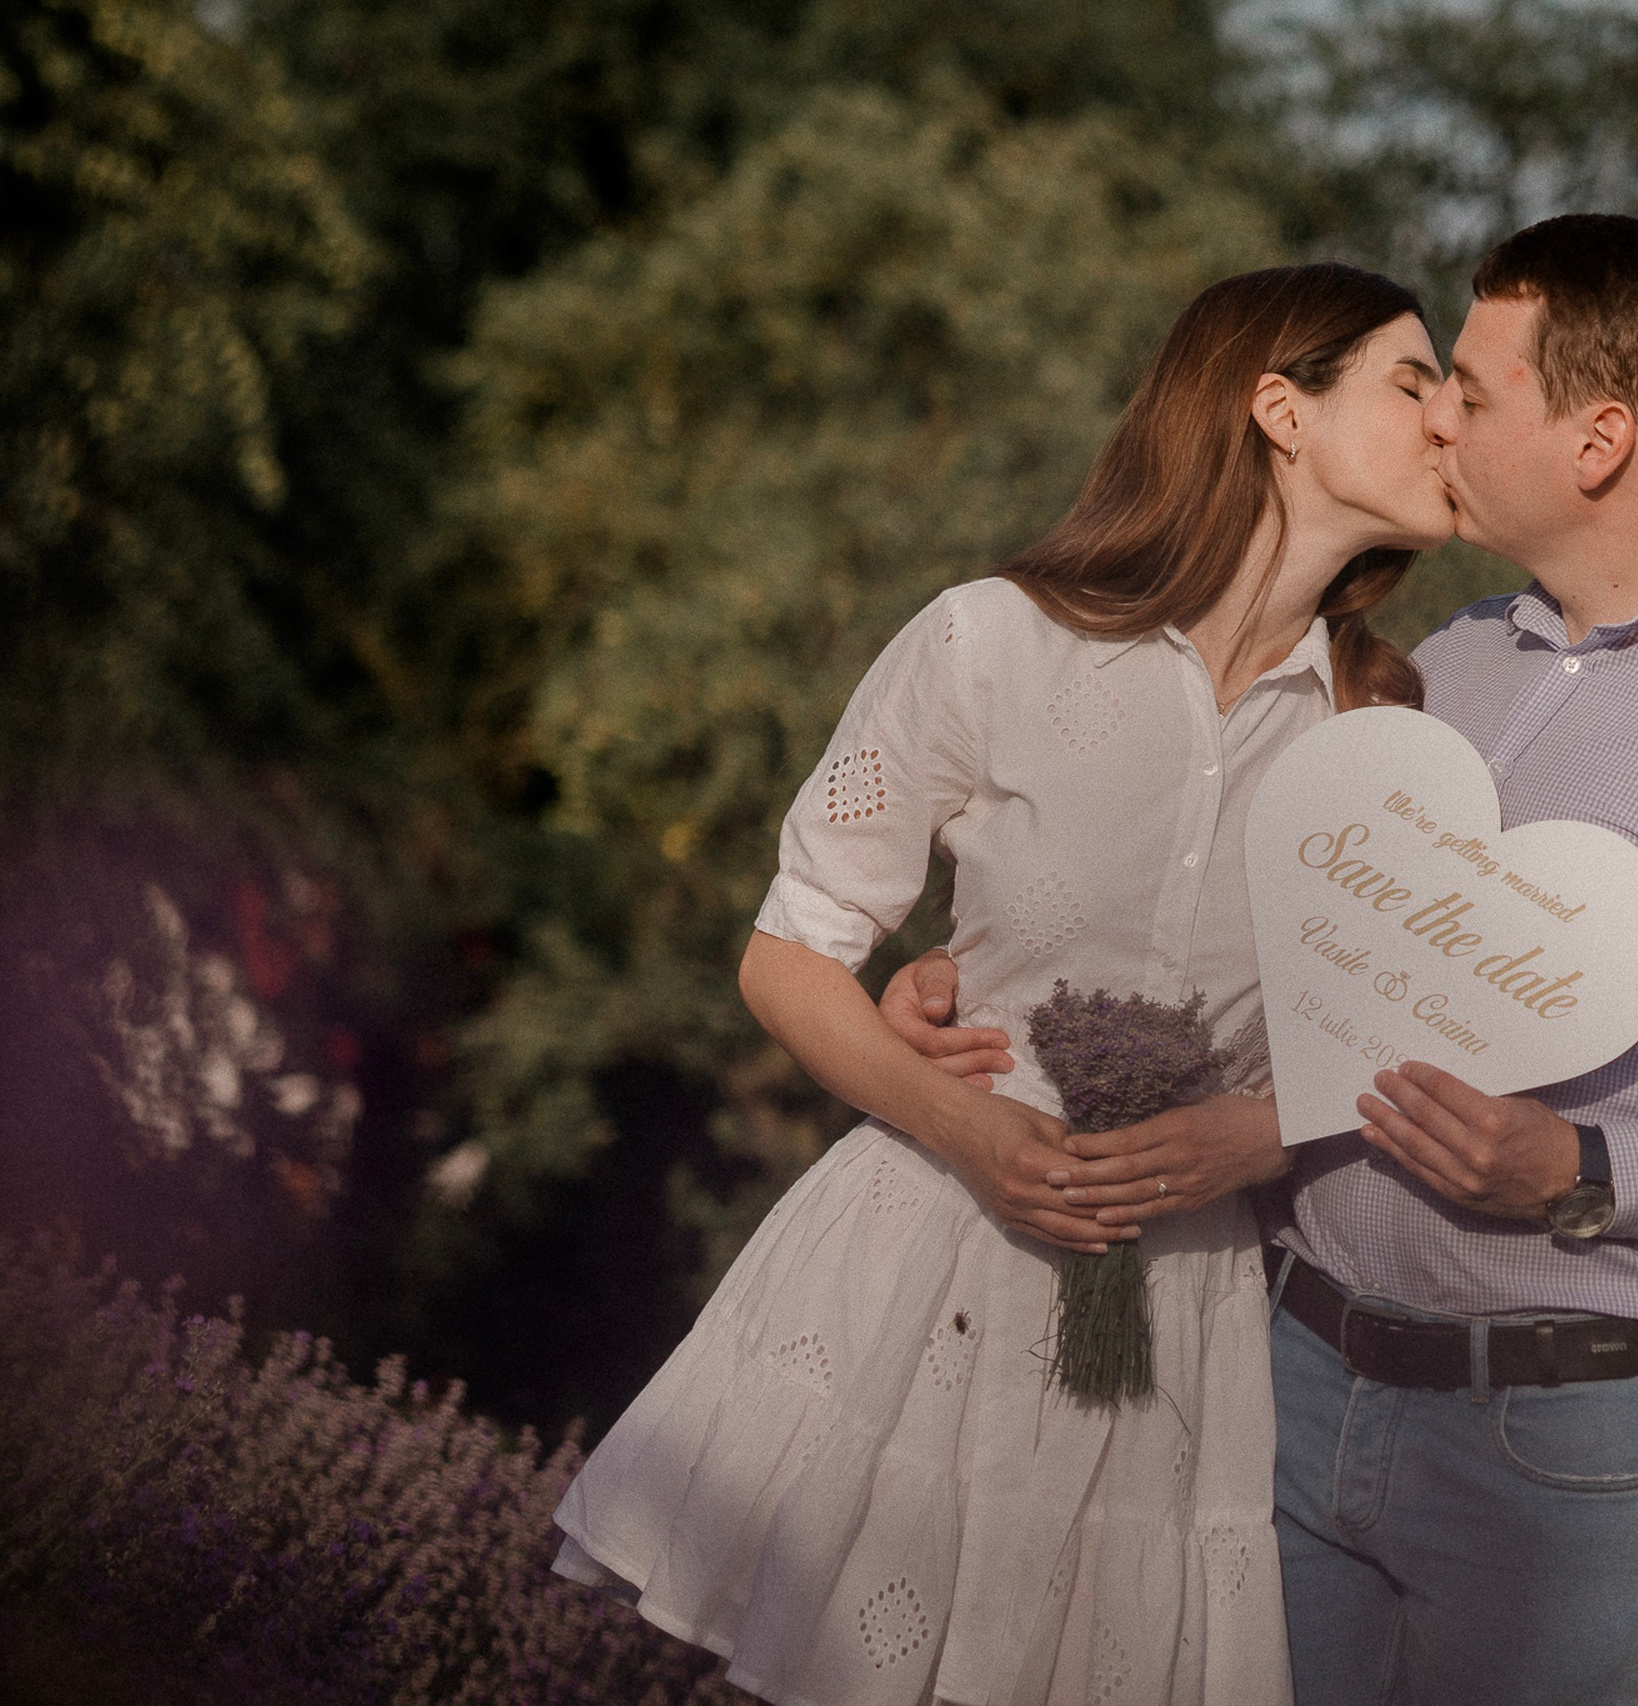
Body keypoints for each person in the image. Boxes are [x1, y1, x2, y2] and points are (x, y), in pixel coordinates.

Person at [886, 214, 1638, 1705]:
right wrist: (984, 988)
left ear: (1598, 440)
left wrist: (1591, 1169)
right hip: (1280, 1379)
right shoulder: (1441, 659)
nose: (1436, 417)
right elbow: (1258, 954)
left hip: (1564, 1449)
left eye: (1471, 387)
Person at [548, 261, 1456, 1706]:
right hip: (928, 1265)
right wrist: (974, 1127)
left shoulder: (1395, 725)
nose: (1452, 415)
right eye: (1417, 382)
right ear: (1281, 407)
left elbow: (1407, 1035)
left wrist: (1261, 1131)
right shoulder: (994, 639)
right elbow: (790, 951)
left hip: (1176, 1312)